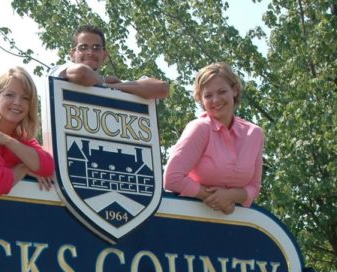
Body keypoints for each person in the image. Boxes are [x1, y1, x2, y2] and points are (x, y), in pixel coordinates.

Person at [163, 62, 264, 215]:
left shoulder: (254, 134)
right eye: (208, 95)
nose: (215, 100)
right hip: (190, 220)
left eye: (222, 92)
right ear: (201, 100)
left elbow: (254, 187)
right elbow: (172, 178)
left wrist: (229, 196)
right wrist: (216, 199)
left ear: (234, 90)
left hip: (235, 225)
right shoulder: (200, 128)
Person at [0, 67, 55, 196]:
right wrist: (24, 168)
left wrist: (7, 141)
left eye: (25, 98)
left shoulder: (21, 135)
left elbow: (48, 168)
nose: (17, 102)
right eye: (10, 95)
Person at [49, 24, 170, 100]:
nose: (90, 52)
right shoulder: (59, 73)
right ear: (72, 54)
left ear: (105, 55)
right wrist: (105, 84)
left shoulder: (116, 85)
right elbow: (82, 73)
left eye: (96, 48)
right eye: (83, 47)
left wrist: (115, 86)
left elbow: (162, 88)